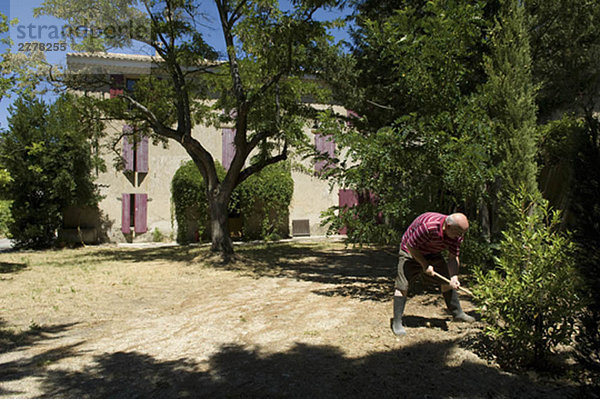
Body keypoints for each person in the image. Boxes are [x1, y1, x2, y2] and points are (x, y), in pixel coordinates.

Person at [391, 212, 475, 336]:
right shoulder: (428, 227)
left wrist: (454, 277)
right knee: (402, 286)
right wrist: (424, 264)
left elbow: (453, 257)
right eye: (458, 233)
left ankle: (457, 313)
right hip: (410, 251)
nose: (460, 236)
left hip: (432, 251)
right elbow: (411, 246)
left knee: (447, 282)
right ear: (448, 226)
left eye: (462, 233)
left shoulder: (457, 234)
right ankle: (397, 322)